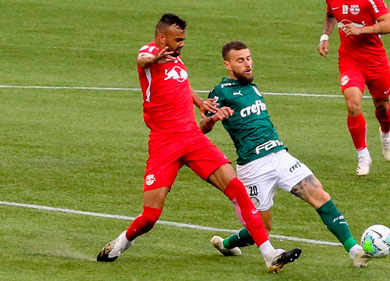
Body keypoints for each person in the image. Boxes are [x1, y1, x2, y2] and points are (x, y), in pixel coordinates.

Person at [96, 13, 301, 273]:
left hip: (192, 138)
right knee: (149, 218)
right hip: (164, 144)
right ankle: (124, 241)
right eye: (177, 39)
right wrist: (156, 58)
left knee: (237, 189)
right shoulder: (150, 52)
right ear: (162, 38)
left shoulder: (176, 58)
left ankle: (270, 254)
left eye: (183, 39)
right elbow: (142, 59)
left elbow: (181, 83)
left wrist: (200, 103)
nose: (182, 43)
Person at [199, 40, 371, 268]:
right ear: (228, 65)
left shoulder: (253, 87)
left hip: (280, 156)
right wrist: (213, 118)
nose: (248, 64)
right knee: (262, 227)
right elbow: (202, 125)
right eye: (240, 61)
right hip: (253, 166)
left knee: (321, 196)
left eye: (249, 58)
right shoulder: (220, 91)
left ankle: (354, 250)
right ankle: (226, 244)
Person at [317, 0, 390, 176]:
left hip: (376, 61)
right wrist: (325, 37)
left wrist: (360, 30)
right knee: (353, 104)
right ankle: (363, 154)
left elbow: (388, 25)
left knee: (382, 106)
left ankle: (386, 134)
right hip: (349, 60)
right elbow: (331, 15)